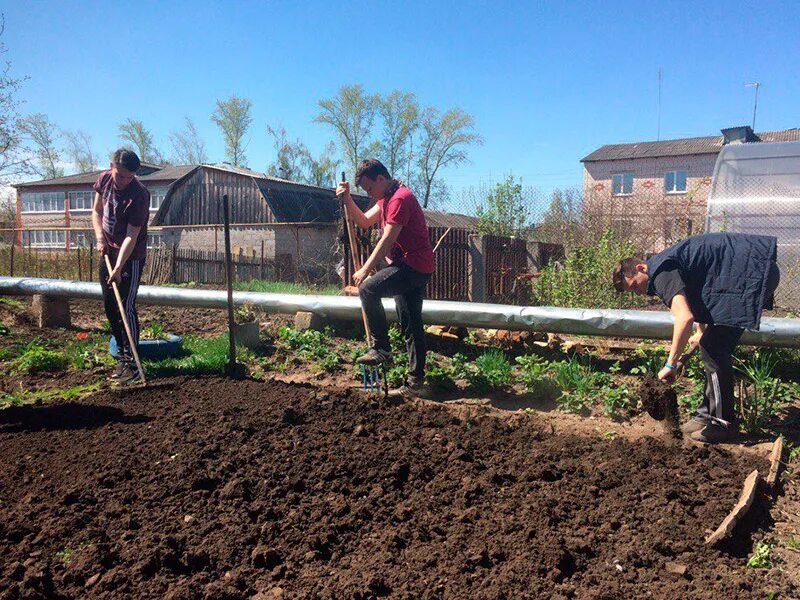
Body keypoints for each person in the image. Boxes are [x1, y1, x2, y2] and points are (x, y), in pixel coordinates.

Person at [613, 232, 780, 443]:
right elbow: (702, 292)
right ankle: (705, 415)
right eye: (632, 291)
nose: (637, 292)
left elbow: (684, 317)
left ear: (640, 268)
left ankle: (723, 423)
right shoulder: (664, 265)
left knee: (714, 348)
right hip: (748, 270)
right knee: (709, 344)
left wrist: (671, 364)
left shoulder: (661, 271)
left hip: (751, 272)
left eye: (635, 285)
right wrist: (701, 332)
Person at [337, 159, 435, 397]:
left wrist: (365, 269)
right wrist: (348, 198)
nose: (370, 194)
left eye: (370, 188)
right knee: (410, 323)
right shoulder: (386, 198)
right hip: (410, 265)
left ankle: (381, 348)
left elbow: (387, 240)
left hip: (414, 265)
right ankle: (415, 384)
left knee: (368, 289)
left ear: (381, 179)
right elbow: (363, 221)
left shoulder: (401, 198)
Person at [92, 148, 151, 384]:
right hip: (108, 249)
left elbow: (131, 236)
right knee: (109, 305)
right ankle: (122, 358)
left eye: (130, 177)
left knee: (125, 305)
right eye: (121, 175)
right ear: (111, 167)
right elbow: (96, 212)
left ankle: (133, 363)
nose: (125, 181)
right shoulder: (104, 180)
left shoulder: (139, 194)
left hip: (131, 255)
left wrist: (118, 267)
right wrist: (99, 238)